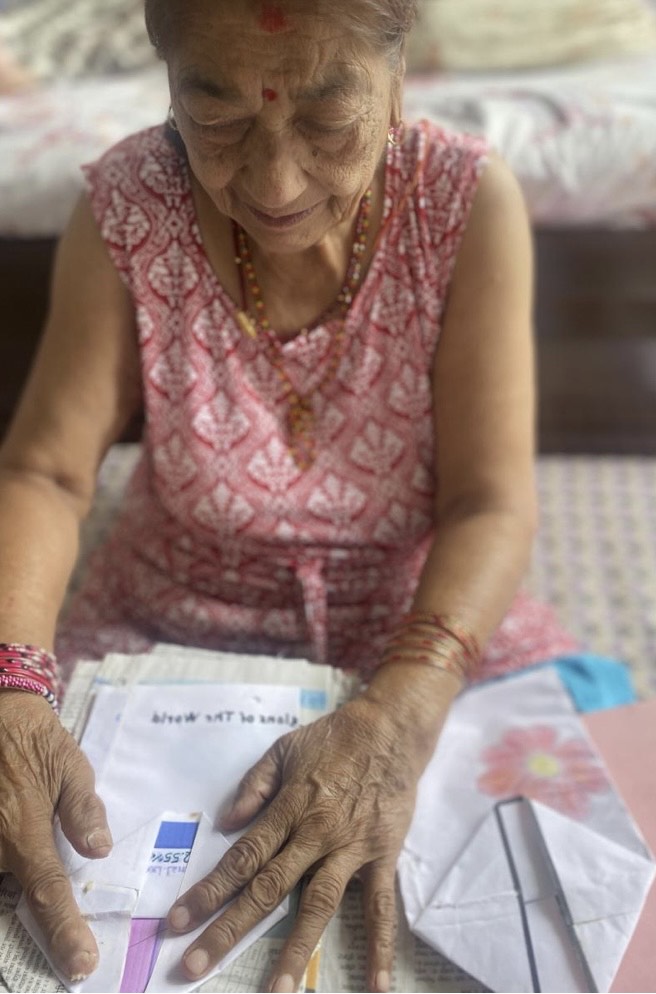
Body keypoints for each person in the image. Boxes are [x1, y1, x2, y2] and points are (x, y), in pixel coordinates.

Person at [0, 1, 577, 990]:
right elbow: (45, 472)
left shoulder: (466, 203)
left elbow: (489, 502)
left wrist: (400, 712)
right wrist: (9, 682)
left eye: (325, 120)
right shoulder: (127, 207)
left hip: (412, 628)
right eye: (213, 117)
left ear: (397, 77)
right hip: (166, 613)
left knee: (511, 918)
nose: (271, 183)